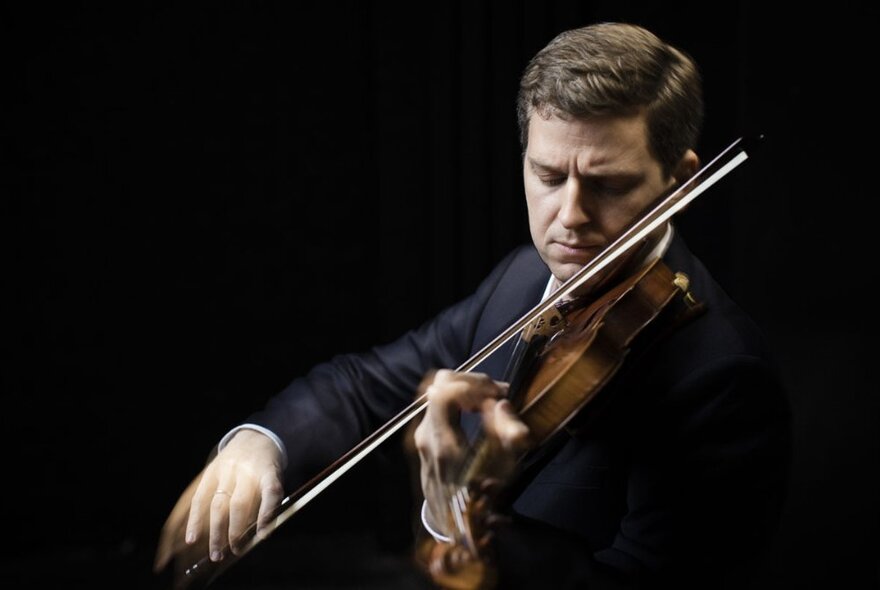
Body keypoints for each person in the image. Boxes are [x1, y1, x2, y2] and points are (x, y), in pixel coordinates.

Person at [155, 22, 791, 589]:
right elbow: (362, 383)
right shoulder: (522, 277)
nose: (568, 218)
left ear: (679, 179)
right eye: (547, 176)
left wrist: (457, 520)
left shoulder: (723, 379)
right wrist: (259, 446)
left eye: (607, 184)